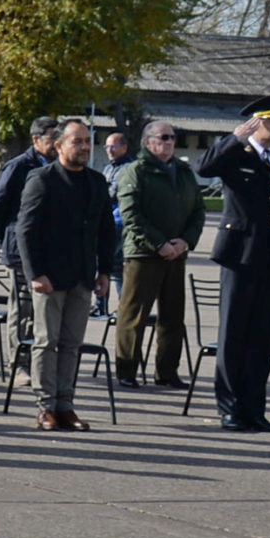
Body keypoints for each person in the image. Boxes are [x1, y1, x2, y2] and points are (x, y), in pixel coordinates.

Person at [194, 94, 270, 432]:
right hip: (239, 253)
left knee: (262, 337)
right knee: (234, 335)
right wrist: (235, 138)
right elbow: (204, 168)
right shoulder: (235, 154)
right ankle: (230, 409)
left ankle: (255, 408)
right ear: (257, 123)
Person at [16, 118, 121, 430]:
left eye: (88, 141)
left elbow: (105, 230)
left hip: (82, 276)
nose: (85, 147)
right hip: (49, 277)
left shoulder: (96, 181)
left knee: (72, 343)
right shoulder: (42, 178)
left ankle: (66, 405)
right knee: (46, 341)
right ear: (58, 145)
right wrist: (35, 273)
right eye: (78, 141)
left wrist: (104, 270)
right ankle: (45, 406)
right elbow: (26, 230)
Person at [112, 120, 204, 387]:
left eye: (173, 138)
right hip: (144, 254)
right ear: (148, 141)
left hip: (177, 254)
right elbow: (131, 215)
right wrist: (159, 244)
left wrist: (185, 242)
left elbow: (198, 210)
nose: (169, 142)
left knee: (173, 316)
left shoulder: (184, 172)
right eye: (164, 137)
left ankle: (167, 372)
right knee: (134, 316)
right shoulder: (135, 171)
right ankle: (127, 371)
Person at [0, 116, 63, 275]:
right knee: (23, 298)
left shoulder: (60, 168)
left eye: (60, 138)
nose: (57, 143)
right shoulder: (18, 167)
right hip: (21, 250)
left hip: (52, 250)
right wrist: (8, 236)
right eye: (52, 138)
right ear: (36, 139)